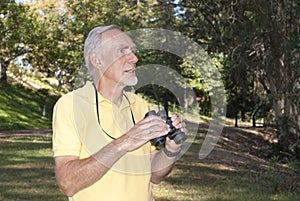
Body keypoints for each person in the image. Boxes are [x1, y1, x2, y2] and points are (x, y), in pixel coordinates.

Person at [52, 24, 186, 201]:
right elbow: (68, 183)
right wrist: (126, 141)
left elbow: (155, 175)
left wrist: (172, 148)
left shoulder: (140, 105)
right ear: (97, 60)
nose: (134, 58)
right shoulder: (70, 105)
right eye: (122, 51)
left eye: (132, 51)